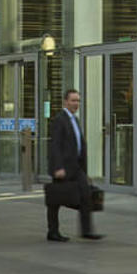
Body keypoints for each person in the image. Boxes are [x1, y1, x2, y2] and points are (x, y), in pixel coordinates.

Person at [44, 89, 102, 243]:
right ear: (65, 102)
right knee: (55, 201)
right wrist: (58, 167)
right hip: (62, 167)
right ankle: (53, 231)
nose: (76, 104)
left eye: (78, 101)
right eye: (73, 100)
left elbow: (79, 145)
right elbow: (55, 145)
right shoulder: (59, 120)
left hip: (76, 167)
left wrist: (85, 171)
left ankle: (86, 230)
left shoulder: (74, 120)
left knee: (86, 196)